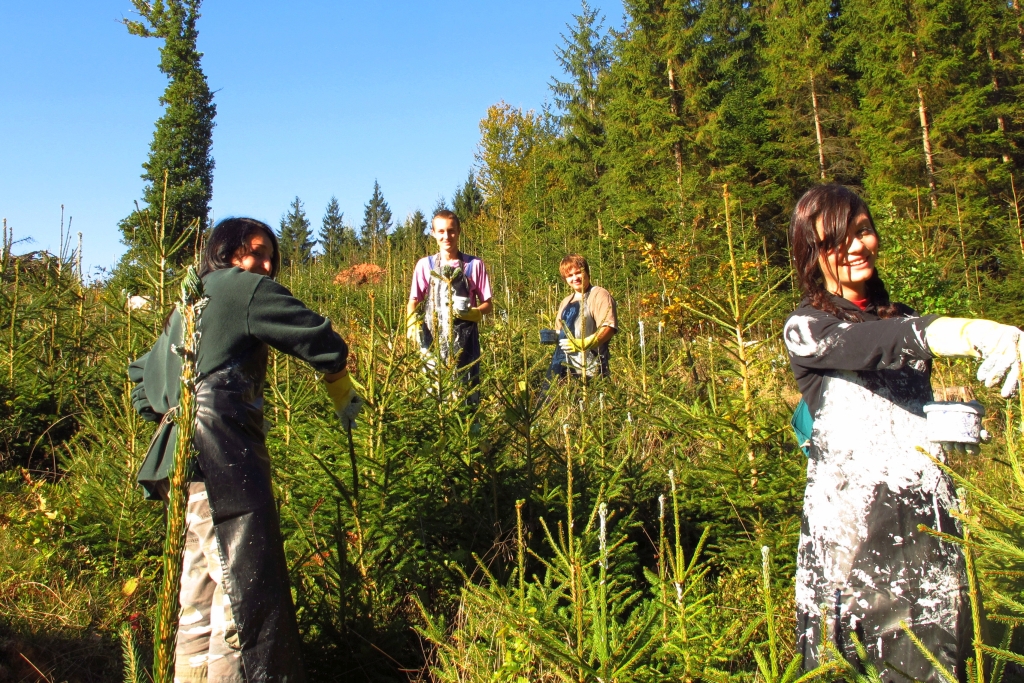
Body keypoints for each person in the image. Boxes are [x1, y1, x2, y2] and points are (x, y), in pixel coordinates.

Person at [784, 184, 1023, 682]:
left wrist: (949, 426)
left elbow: (899, 410)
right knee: (848, 666)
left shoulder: (903, 316)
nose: (855, 246)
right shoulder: (808, 327)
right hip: (850, 544)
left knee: (934, 663)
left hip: (927, 530)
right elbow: (877, 343)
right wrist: (973, 332)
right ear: (811, 253)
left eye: (863, 231)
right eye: (835, 240)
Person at [129, 217, 363, 683]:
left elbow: (140, 377)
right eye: (254, 252)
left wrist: (173, 414)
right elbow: (319, 338)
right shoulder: (241, 288)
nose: (265, 266)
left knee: (197, 599)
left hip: (184, 471)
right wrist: (341, 383)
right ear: (225, 251)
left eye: (270, 257)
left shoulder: (188, 305)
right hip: (222, 464)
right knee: (243, 604)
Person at [406, 209, 492, 390]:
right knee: (434, 393)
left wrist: (476, 312)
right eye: (441, 231)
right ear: (433, 233)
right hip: (432, 343)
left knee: (467, 393)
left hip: (466, 344)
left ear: (459, 231)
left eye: (451, 231)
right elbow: (413, 300)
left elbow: (488, 304)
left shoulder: (474, 265)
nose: (447, 236)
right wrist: (411, 322)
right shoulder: (425, 266)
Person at [549, 254, 617, 380]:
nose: (575, 278)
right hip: (566, 371)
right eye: (570, 275)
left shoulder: (599, 295)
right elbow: (560, 331)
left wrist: (584, 343)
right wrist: (551, 336)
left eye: (578, 273)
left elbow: (609, 327)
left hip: (592, 369)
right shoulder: (566, 302)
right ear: (565, 279)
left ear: (586, 272)